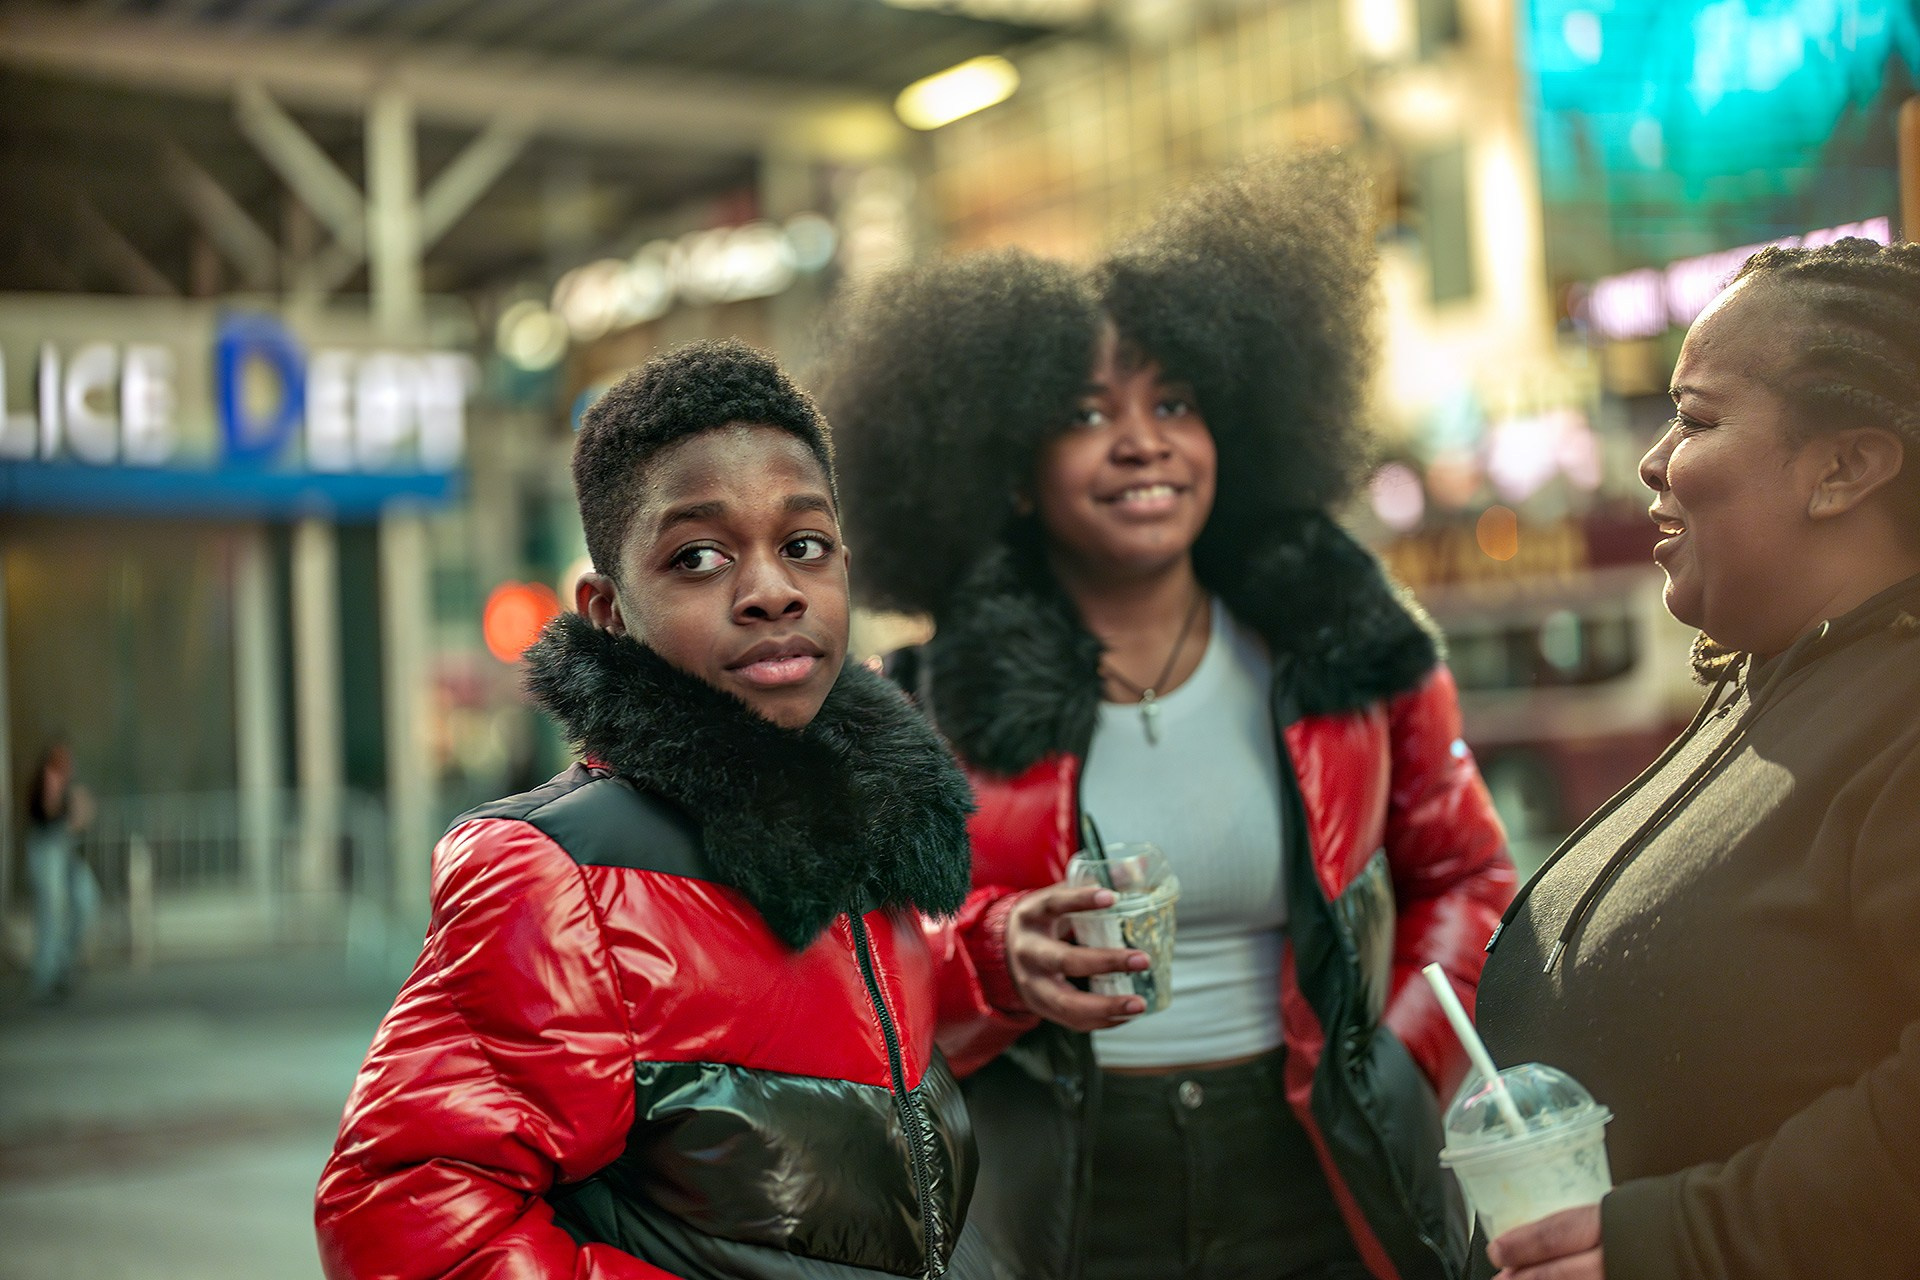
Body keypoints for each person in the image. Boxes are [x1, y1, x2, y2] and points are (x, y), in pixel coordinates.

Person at [820, 155, 1516, 1280]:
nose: (1142, 439)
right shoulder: (916, 703)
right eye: (1088, 413)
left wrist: (1397, 1060)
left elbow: (1470, 878)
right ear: (1008, 470)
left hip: (1316, 1168)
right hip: (1057, 1195)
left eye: (1175, 402)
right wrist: (995, 957)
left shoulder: (1346, 655)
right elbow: (853, 976)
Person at [315, 340, 986, 1279]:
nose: (771, 591)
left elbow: (825, 1022)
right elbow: (401, 1214)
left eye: (804, 545)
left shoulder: (868, 823)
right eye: (700, 556)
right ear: (608, 612)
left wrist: (996, 963)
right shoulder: (555, 879)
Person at [1472, 238, 1920, 1280]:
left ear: (1845, 467)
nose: (1653, 457)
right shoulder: (1769, 683)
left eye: (1700, 417)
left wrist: (1675, 1239)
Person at [25, 739, 97, 1003]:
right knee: (52, 908)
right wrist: (56, 795)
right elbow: (45, 813)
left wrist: (79, 811)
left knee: (86, 900)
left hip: (65, 850)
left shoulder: (70, 788)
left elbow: (79, 821)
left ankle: (63, 962)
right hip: (46, 848)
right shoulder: (47, 783)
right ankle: (47, 974)